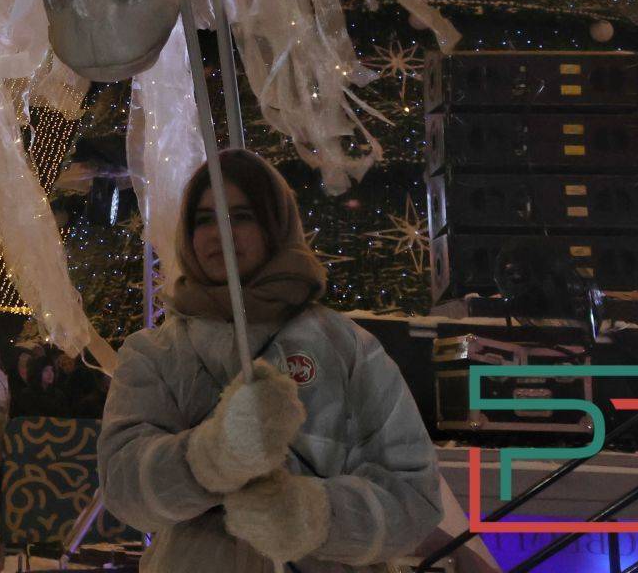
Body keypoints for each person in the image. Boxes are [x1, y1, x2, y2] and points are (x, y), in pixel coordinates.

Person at [97, 150, 441, 570]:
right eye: (204, 219)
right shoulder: (155, 353)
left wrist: (314, 515)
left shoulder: (349, 347)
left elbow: (414, 496)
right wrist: (211, 456)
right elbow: (123, 488)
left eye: (240, 216)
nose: (219, 234)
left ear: (274, 226)